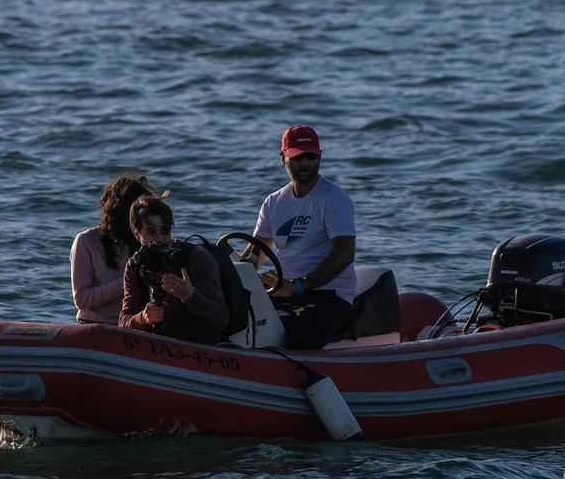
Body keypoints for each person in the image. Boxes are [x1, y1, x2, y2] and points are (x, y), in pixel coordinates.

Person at [245, 125, 357, 350]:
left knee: (301, 331)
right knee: (233, 316)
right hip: (284, 291)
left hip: (329, 296)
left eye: (311, 156)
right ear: (283, 158)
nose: (305, 162)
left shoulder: (333, 198)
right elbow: (256, 254)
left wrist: (298, 287)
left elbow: (344, 254)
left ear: (320, 156)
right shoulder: (273, 202)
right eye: (297, 157)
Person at [119, 195, 229, 344]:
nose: (160, 239)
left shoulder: (195, 258)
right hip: (157, 347)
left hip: (199, 348)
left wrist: (190, 296)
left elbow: (220, 319)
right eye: (151, 232)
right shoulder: (135, 266)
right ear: (136, 232)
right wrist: (143, 318)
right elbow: (124, 320)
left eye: (165, 231)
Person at [70, 171, 156, 324]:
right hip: (95, 325)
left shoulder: (144, 240)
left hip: (136, 324)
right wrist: (128, 279)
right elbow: (82, 299)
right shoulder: (86, 241)